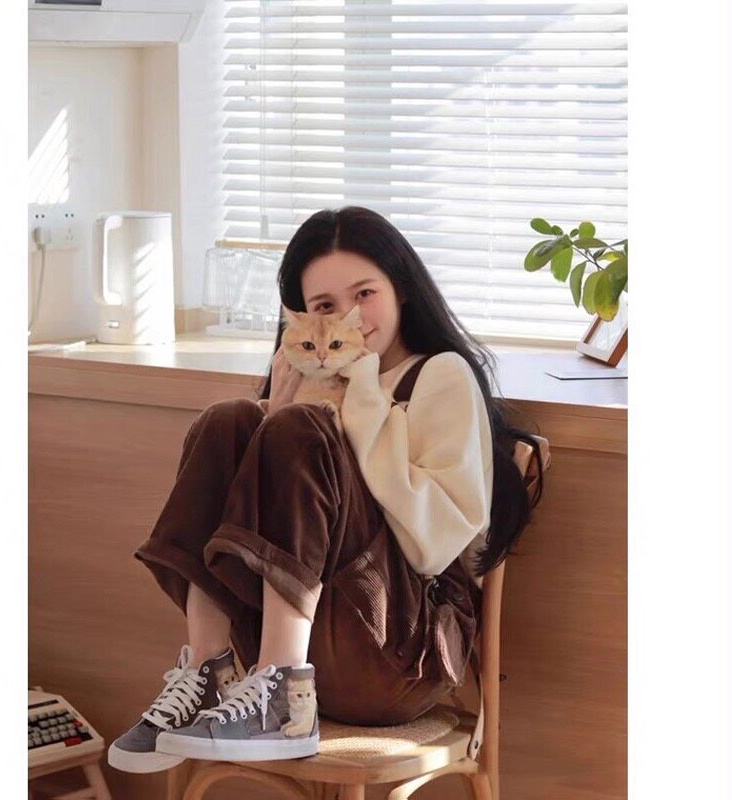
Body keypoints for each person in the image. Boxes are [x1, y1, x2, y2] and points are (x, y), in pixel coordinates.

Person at [108, 206, 545, 773]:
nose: (349, 317)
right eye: (324, 306)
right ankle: (211, 671)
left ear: (401, 286)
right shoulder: (313, 379)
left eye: (364, 293)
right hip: (309, 644)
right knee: (229, 420)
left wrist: (348, 402)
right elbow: (281, 520)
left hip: (399, 655)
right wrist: (277, 416)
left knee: (296, 427)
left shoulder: (439, 375)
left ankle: (282, 697)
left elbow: (435, 546)